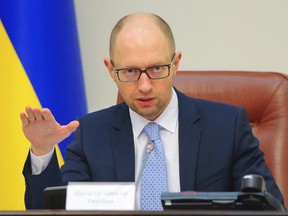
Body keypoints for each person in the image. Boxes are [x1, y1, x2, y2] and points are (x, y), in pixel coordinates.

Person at [20, 12, 284, 210]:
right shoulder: (91, 134)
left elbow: (272, 209)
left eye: (157, 69)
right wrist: (42, 151)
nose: (144, 86)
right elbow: (53, 211)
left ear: (176, 63)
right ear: (111, 70)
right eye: (130, 72)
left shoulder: (227, 127)